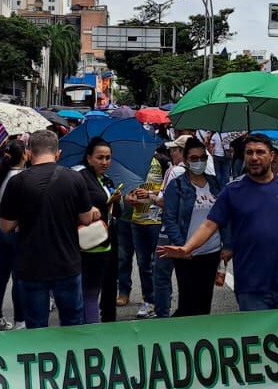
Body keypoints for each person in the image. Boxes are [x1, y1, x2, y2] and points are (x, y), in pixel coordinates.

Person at [160, 134, 278, 313]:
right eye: (249, 152)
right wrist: (187, 248)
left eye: (260, 152)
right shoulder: (232, 190)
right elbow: (210, 224)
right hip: (250, 287)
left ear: (272, 156)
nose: (254, 157)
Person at [0, 130, 97, 328]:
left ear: (28, 153)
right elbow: (86, 218)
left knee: (36, 326)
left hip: (31, 265)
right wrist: (92, 210)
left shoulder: (17, 182)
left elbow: (6, 226)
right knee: (72, 324)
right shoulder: (74, 178)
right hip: (67, 262)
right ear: (58, 153)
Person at [161, 138, 230, 317]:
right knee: (188, 303)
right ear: (185, 160)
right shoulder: (177, 186)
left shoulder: (215, 184)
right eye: (194, 158)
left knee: (204, 301)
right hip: (187, 254)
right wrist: (182, 247)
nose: (199, 162)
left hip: (212, 252)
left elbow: (224, 217)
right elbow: (169, 219)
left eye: (202, 158)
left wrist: (227, 244)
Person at [115, 143, 165, 317]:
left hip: (155, 220)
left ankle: (159, 300)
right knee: (133, 261)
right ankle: (140, 297)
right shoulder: (125, 163)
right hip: (131, 218)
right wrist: (127, 197)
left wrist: (150, 195)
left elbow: (166, 189)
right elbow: (120, 186)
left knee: (155, 263)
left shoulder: (161, 162)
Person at [74, 139, 121, 324]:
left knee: (107, 284)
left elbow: (114, 212)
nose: (104, 162)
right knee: (89, 292)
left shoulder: (107, 180)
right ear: (89, 158)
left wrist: (116, 201)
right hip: (88, 243)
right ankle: (88, 328)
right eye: (100, 157)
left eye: (108, 158)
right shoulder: (80, 178)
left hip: (108, 240)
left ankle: (108, 320)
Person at [0, 140, 27, 330]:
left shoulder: (1, 174)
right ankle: (20, 320)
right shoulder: (22, 177)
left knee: (1, 273)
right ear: (23, 155)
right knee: (19, 276)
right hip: (17, 227)